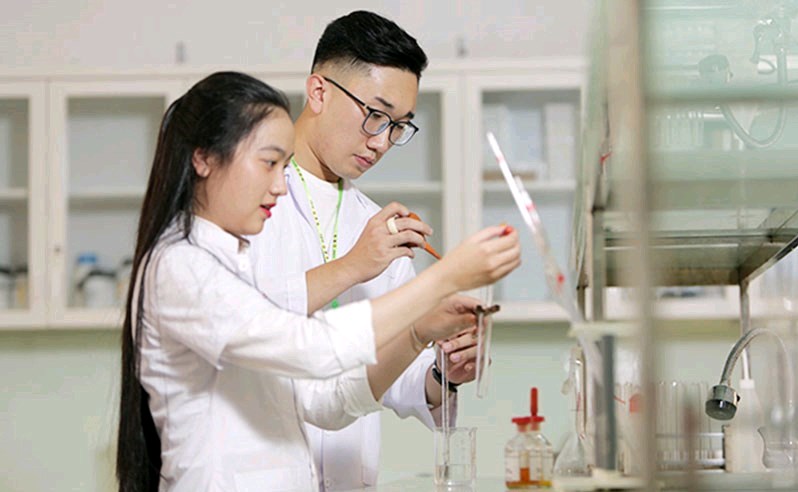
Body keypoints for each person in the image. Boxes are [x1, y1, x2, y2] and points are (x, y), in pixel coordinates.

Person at [116, 71, 521, 492]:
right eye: (269, 163)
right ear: (204, 159)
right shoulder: (178, 267)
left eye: (284, 165)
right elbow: (311, 346)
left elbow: (325, 403)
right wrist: (443, 279)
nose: (279, 185)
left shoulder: (227, 263)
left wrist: (419, 332)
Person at [250, 11, 485, 490]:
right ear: (319, 92)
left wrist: (445, 372)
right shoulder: (247, 198)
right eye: (375, 116)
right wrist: (356, 265)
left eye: (399, 126)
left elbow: (393, 377)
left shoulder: (374, 224)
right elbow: (240, 320)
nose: (381, 143)